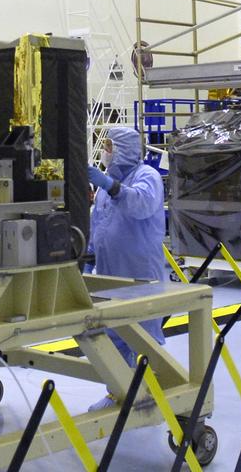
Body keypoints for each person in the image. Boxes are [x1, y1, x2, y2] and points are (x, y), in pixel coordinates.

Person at [86, 125, 167, 409]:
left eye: (109, 147)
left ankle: (152, 393)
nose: (106, 153)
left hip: (141, 275)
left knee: (144, 338)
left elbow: (141, 205)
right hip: (110, 274)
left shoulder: (148, 176)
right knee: (114, 336)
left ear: (124, 149)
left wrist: (111, 186)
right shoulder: (105, 187)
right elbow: (100, 223)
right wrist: (88, 255)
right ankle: (118, 393)